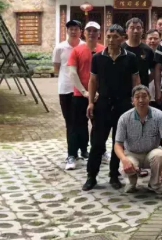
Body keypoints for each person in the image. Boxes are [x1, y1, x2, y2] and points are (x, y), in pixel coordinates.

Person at [83, 24, 140, 191]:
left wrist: (136, 101)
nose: (111, 40)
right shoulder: (98, 58)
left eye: (115, 36)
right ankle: (91, 176)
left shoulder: (130, 58)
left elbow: (136, 80)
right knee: (97, 142)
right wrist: (91, 102)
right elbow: (93, 81)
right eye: (108, 36)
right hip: (103, 104)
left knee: (118, 141)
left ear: (122, 38)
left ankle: (114, 175)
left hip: (123, 104)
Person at [114, 85, 162, 194]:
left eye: (144, 96)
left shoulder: (159, 116)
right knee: (125, 164)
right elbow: (118, 144)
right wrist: (124, 160)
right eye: (137, 97)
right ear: (132, 100)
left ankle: (155, 184)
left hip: (151, 152)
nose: (141, 100)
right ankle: (131, 183)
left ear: (149, 98)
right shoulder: (124, 118)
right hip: (132, 153)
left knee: (160, 155)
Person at [67, 22, 103, 170]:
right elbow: (72, 73)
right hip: (80, 94)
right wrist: (84, 92)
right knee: (77, 126)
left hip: (99, 96)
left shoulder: (104, 50)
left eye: (95, 31)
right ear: (84, 33)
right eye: (89, 30)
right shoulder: (77, 51)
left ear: (99, 34)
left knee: (99, 126)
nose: (92, 33)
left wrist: (98, 92)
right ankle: (72, 155)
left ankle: (99, 152)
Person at [53, 20, 85, 169]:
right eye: (70, 29)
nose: (73, 31)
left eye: (76, 29)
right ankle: (71, 154)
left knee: (82, 121)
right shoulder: (60, 48)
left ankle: (83, 150)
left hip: (82, 90)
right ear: (67, 31)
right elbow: (56, 68)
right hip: (65, 89)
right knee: (70, 122)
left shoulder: (84, 46)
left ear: (80, 31)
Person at [123, 18, 155, 96]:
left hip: (142, 92)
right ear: (126, 31)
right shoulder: (121, 48)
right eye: (132, 28)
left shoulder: (148, 50)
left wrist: (144, 82)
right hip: (123, 90)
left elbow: (153, 71)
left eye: (138, 28)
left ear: (142, 31)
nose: (135, 31)